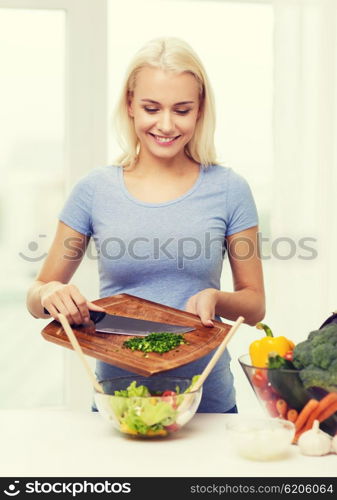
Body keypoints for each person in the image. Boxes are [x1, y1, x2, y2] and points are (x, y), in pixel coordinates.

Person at [26, 37, 265, 413]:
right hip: (118, 404)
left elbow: (255, 305)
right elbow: (38, 293)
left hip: (206, 403)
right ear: (130, 106)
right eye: (151, 108)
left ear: (200, 110)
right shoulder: (94, 190)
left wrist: (216, 298)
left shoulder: (229, 189)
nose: (166, 125)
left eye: (182, 110)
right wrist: (49, 294)